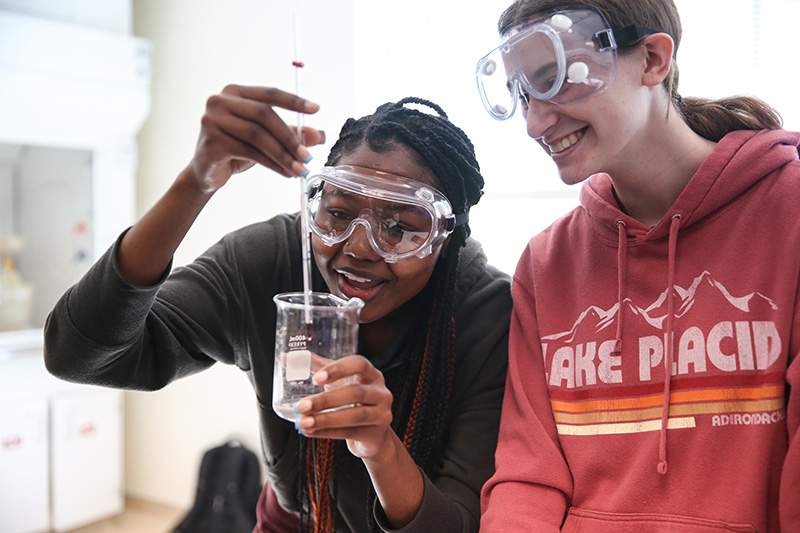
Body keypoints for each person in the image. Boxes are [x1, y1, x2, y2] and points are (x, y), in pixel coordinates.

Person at [43, 86, 512, 532]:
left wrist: (380, 448)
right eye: (339, 213)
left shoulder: (486, 314)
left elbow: (458, 523)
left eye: (400, 226)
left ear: (445, 239)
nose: (359, 247)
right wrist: (196, 181)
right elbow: (78, 354)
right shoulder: (273, 260)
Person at [475, 1, 799, 531]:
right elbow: (529, 476)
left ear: (652, 59)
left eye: (555, 78)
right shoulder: (547, 261)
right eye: (523, 93)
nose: (535, 121)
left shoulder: (789, 213)